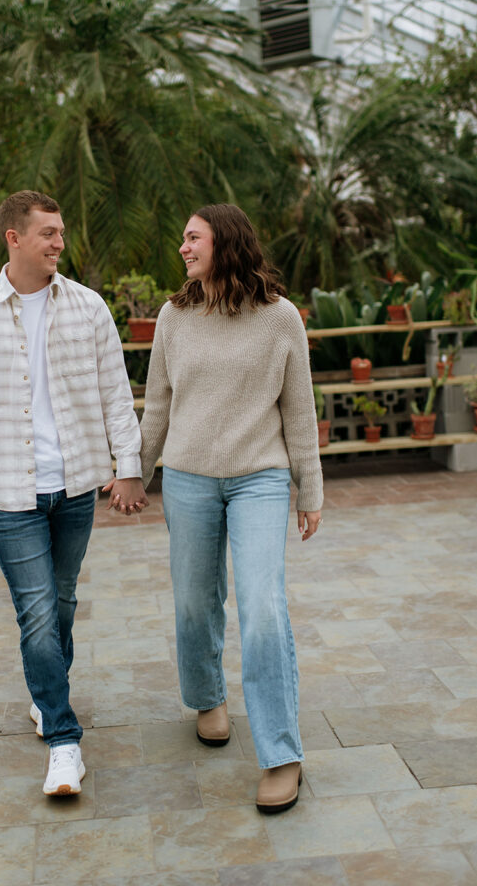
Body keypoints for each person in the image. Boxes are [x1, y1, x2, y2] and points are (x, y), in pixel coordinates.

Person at [0, 189, 148, 797]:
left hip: (78, 486)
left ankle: (44, 693)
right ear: (14, 238)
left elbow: (117, 394)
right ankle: (64, 741)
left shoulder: (88, 308)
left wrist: (129, 464)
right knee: (36, 615)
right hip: (8, 494)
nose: (60, 242)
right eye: (49, 233)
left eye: (61, 232)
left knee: (60, 605)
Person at [139, 203, 323, 814]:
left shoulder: (280, 318)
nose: (183, 248)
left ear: (226, 240)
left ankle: (281, 754)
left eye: (192, 238)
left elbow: (298, 411)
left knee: (264, 606)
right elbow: (158, 407)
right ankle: (208, 697)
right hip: (188, 478)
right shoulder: (173, 315)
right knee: (194, 602)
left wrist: (309, 489)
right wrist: (134, 475)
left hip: (259, 480)